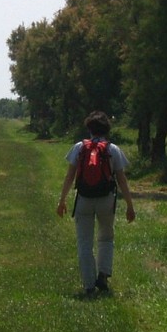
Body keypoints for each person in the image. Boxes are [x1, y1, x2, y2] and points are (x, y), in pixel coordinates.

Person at [57, 111, 136, 294]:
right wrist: (130, 207)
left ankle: (89, 285)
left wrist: (62, 200)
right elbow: (122, 180)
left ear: (89, 129)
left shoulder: (79, 147)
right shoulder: (112, 149)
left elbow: (70, 176)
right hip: (106, 200)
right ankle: (103, 275)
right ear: (106, 129)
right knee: (106, 238)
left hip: (84, 199)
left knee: (84, 242)